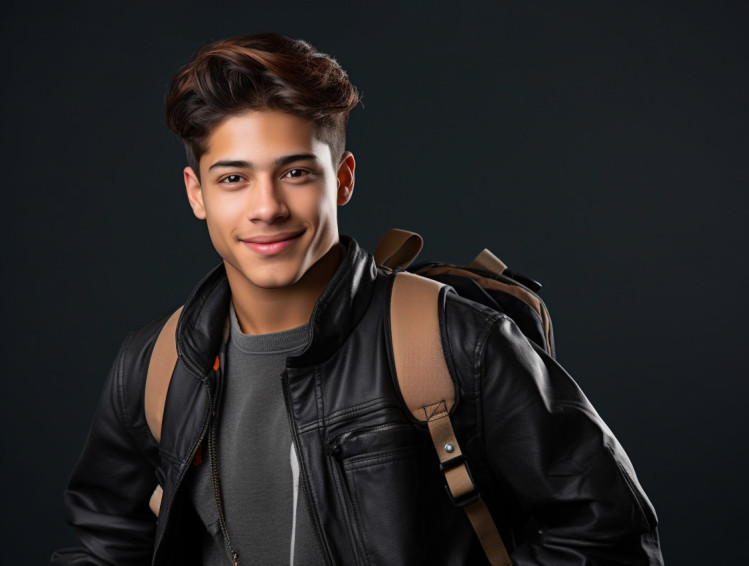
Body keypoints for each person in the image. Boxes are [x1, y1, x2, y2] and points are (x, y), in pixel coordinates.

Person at [51, 32, 664, 565]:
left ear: (341, 179)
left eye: (296, 172)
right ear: (197, 193)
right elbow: (107, 547)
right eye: (234, 178)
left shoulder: (453, 343)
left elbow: (608, 536)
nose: (266, 207)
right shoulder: (153, 368)